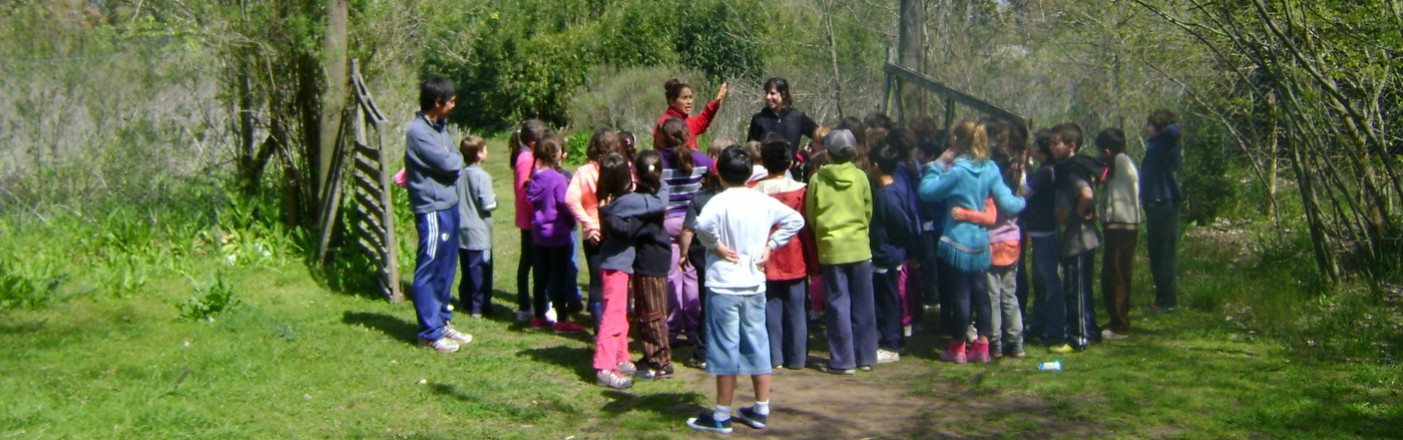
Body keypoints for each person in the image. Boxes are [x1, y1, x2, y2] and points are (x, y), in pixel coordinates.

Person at [686, 146, 805, 434]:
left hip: (724, 284)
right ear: (751, 172)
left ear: (719, 172)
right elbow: (795, 220)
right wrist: (770, 246)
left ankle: (722, 414)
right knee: (756, 343)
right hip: (753, 282)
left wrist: (714, 244)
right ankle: (761, 409)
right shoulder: (760, 200)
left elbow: (700, 224)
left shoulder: (719, 201)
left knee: (726, 346)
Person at [918, 120, 1025, 364]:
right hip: (980, 239)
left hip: (957, 239)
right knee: (981, 292)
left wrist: (937, 164)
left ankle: (957, 346)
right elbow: (1008, 203)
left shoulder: (957, 171)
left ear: (956, 140)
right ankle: (983, 347)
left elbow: (927, 190)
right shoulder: (990, 169)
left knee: (961, 294)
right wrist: (1023, 201)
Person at [404, 77, 472, 352]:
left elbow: (454, 157)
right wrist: (455, 160)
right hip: (432, 209)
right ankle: (429, 332)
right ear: (437, 103)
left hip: (449, 205)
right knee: (430, 267)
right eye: (451, 101)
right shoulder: (418, 132)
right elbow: (451, 162)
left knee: (446, 267)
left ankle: (442, 321)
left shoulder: (439, 128)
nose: (454, 105)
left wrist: (455, 159)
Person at [807, 129, 877, 374]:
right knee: (864, 303)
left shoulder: (817, 180)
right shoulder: (861, 177)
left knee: (837, 303)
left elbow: (812, 215)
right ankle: (866, 356)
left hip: (831, 248)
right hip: (859, 246)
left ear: (827, 154)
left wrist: (824, 235)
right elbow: (868, 211)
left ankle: (843, 360)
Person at [751, 139, 816, 370]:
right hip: (795, 255)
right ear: (790, 162)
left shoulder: (754, 191)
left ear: (763, 162)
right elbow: (806, 227)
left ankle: (774, 357)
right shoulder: (801, 190)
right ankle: (798, 357)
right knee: (797, 308)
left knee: (770, 307)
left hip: (765, 256)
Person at [678, 139, 732, 370]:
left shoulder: (699, 198)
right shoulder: (732, 198)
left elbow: (688, 229)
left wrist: (683, 253)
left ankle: (702, 352)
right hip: (730, 253)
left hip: (703, 254)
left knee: (706, 300)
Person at [658, 118, 712, 347]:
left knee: (671, 276)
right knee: (692, 275)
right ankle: (693, 327)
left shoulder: (659, 161)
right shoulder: (701, 160)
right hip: (693, 222)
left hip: (668, 221)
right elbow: (715, 171)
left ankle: (670, 329)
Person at [526, 134, 588, 335]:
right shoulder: (557, 179)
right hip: (558, 234)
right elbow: (565, 204)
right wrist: (572, 223)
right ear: (556, 154)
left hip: (539, 234)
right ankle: (562, 319)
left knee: (540, 276)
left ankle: (539, 316)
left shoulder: (535, 177)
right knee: (559, 277)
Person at [1051, 123, 1104, 352]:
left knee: (1076, 290)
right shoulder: (1067, 167)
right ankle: (1090, 329)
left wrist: (1081, 212)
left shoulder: (1073, 168)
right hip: (1074, 240)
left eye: (1056, 143)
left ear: (1071, 145)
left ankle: (1078, 337)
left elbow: (1086, 193)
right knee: (1079, 289)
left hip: (1079, 240)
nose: (1052, 148)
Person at [594, 153, 645, 390]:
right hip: (614, 267)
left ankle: (620, 356)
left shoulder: (615, 202)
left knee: (621, 315)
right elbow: (626, 230)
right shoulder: (614, 206)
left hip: (621, 266)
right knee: (612, 318)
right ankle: (604, 367)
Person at [566, 128, 623, 331]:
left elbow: (570, 200)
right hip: (615, 229)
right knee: (615, 280)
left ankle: (600, 329)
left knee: (596, 280)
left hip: (593, 232)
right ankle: (612, 325)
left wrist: (587, 222)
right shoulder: (618, 169)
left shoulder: (584, 171)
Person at [628, 150, 677, 380]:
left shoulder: (640, 200)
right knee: (646, 309)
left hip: (651, 259)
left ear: (636, 173)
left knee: (652, 311)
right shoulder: (659, 192)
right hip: (651, 257)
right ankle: (651, 355)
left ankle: (661, 361)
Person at [868, 143, 919, 363]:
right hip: (888, 254)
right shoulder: (889, 191)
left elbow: (903, 225)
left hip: (888, 255)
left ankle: (891, 344)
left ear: (876, 167)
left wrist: (906, 248)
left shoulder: (887, 196)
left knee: (888, 299)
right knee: (888, 298)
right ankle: (894, 338)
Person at [1096, 128, 1141, 339]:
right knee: (1112, 274)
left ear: (1107, 150)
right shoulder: (1122, 162)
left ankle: (1120, 324)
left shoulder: (1120, 162)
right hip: (1120, 227)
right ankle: (1116, 319)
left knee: (1117, 275)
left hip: (1121, 227)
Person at [1022, 129, 1064, 348]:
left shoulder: (1047, 171)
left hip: (1045, 232)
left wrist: (1022, 171)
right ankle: (1039, 324)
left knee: (1049, 281)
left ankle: (1055, 326)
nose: (1032, 149)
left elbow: (1024, 191)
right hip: (1040, 232)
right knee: (1040, 281)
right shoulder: (1044, 170)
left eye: (1035, 146)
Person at [1140, 109, 1182, 313]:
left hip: (1165, 203)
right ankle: (1161, 298)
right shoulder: (1155, 146)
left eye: (1149, 124)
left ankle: (1169, 301)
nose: (1145, 128)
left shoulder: (1167, 142)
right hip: (1154, 203)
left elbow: (1175, 131)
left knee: (1165, 254)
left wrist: (1163, 126)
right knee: (1156, 253)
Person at [513, 120, 550, 323]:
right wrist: (537, 212)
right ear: (534, 142)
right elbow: (524, 191)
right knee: (529, 262)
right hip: (530, 220)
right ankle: (527, 306)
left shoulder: (527, 156)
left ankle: (534, 304)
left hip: (530, 218)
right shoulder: (526, 159)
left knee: (530, 261)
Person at [455, 135, 497, 319]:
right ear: (479, 154)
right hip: (479, 232)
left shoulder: (459, 174)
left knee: (467, 268)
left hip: (461, 229)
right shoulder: (483, 177)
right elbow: (487, 204)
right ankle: (480, 306)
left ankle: (465, 301)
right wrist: (496, 201)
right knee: (482, 269)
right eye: (485, 148)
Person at [747, 77, 819, 181]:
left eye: (772, 93)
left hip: (793, 175)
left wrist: (802, 155)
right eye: (766, 93)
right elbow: (751, 148)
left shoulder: (797, 117)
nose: (768, 97)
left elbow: (820, 135)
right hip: (765, 175)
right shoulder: (759, 119)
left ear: (783, 94)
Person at [654, 79, 727, 149]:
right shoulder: (664, 123)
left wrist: (716, 103)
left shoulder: (689, 121)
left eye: (690, 97)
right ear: (672, 101)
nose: (689, 102)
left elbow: (703, 119)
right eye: (684, 98)